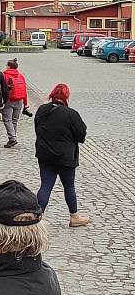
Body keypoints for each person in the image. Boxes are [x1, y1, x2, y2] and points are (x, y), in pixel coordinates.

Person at [35, 83, 91, 227]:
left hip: (45, 155)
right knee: (69, 186)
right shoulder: (70, 114)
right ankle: (74, 217)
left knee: (46, 185)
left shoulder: (41, 110)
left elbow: (38, 129)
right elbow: (81, 134)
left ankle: (36, 218)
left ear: (52, 95)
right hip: (65, 157)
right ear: (66, 96)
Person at [2, 58, 28, 148]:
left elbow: (3, 89)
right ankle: (13, 138)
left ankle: (12, 138)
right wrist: (25, 103)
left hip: (9, 100)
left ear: (9, 66)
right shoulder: (21, 76)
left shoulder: (5, 75)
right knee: (14, 121)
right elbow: (25, 90)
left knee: (7, 120)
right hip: (20, 100)